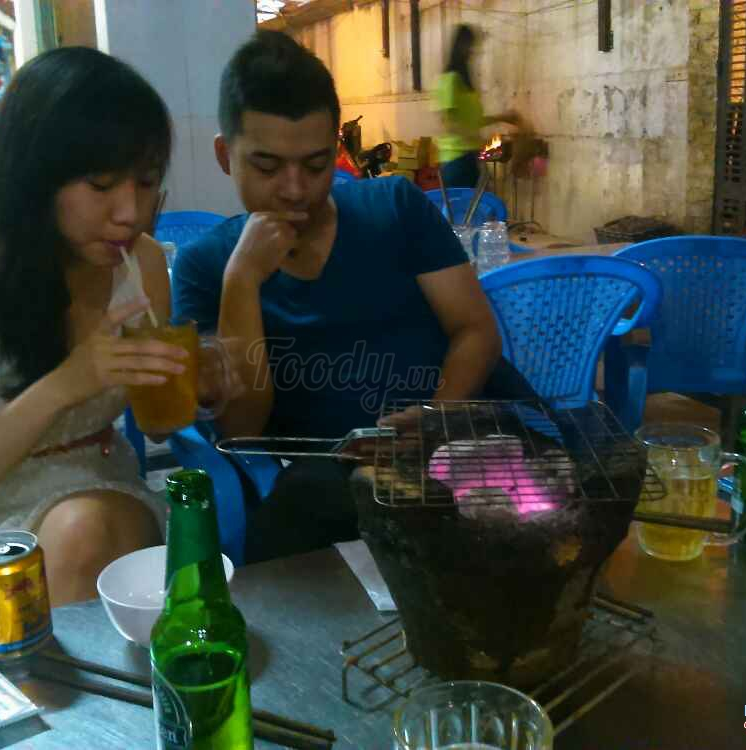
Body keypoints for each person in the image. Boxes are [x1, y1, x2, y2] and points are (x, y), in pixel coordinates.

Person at [172, 31, 534, 564]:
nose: (295, 189)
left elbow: (475, 330)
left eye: (316, 164)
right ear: (226, 156)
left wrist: (434, 416)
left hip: (458, 438)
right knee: (297, 518)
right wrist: (242, 281)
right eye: (267, 167)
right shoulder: (206, 268)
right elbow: (242, 429)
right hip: (336, 479)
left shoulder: (394, 209)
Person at [0, 47, 191, 635]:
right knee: (84, 536)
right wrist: (62, 387)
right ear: (34, 177)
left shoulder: (141, 264)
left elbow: (159, 426)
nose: (130, 212)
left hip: (109, 493)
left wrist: (200, 385)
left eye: (146, 182)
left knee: (97, 529)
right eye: (101, 184)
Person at [433, 24, 526, 189]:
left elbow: (475, 121)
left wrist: (503, 117)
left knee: (483, 201)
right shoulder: (449, 80)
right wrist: (477, 139)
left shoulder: (465, 82)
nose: (472, 53)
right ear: (461, 47)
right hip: (456, 160)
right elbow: (447, 123)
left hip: (471, 156)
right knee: (469, 204)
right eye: (470, 47)